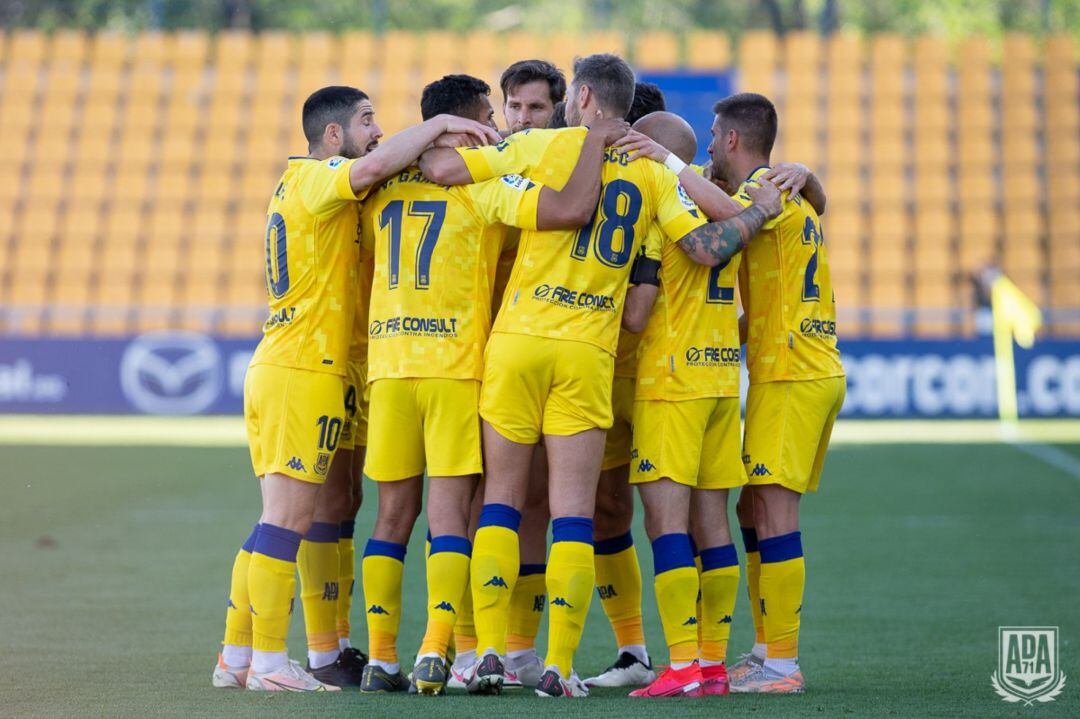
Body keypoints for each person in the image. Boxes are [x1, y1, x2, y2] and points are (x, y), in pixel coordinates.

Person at [420, 53, 781, 698]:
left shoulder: (544, 143)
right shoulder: (649, 171)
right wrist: (756, 200)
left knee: (501, 500)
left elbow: (442, 168)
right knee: (574, 514)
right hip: (590, 352)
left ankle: (489, 655)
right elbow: (713, 233)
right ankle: (559, 666)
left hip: (519, 342)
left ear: (580, 96)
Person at [211, 85, 500, 693]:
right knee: (287, 520)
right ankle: (268, 662)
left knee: (274, 520)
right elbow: (373, 166)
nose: (378, 128)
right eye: (367, 119)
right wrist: (445, 121)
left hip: (294, 364)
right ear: (334, 135)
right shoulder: (318, 178)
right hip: (303, 369)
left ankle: (236, 654)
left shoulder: (317, 190)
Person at [355, 74, 625, 696]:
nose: (503, 128)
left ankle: (379, 659)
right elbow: (563, 211)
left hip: (388, 363)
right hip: (455, 364)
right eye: (492, 118)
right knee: (456, 512)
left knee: (391, 514)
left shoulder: (379, 182)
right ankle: (442, 647)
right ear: (470, 125)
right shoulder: (482, 186)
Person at [709, 93, 844, 695]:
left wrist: (664, 160)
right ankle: (766, 650)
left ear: (734, 140)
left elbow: (711, 229)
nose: (710, 146)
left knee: (773, 509)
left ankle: (783, 666)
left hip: (792, 372)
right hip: (800, 366)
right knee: (751, 508)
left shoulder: (757, 197)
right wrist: (811, 177)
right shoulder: (791, 193)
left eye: (714, 136)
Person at [584, 83, 670, 691]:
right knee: (605, 509)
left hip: (671, 373)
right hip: (607, 367)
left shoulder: (677, 180)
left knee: (683, 517)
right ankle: (634, 651)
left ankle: (701, 654)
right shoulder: (581, 171)